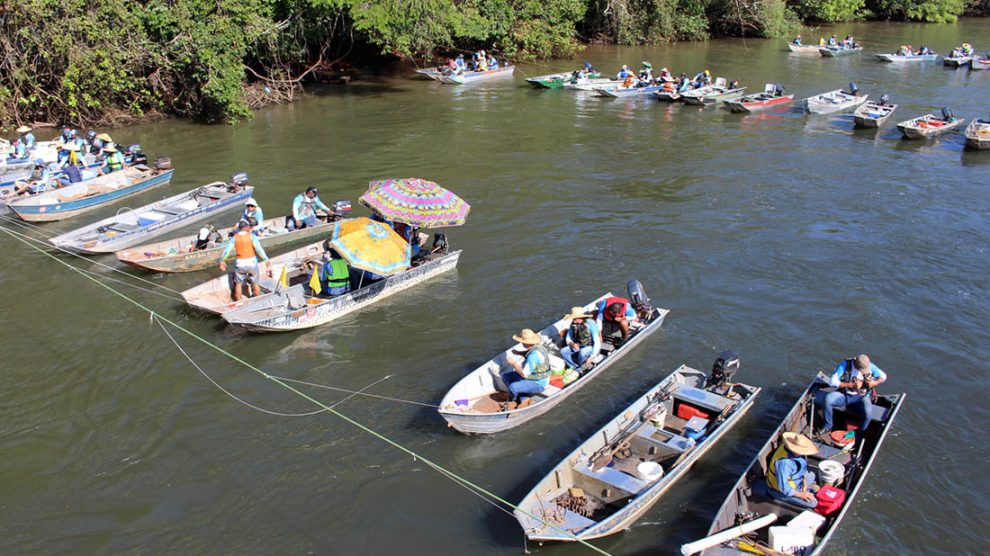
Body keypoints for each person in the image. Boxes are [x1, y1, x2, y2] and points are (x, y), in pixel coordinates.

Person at [816, 354, 887, 445]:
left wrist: (874, 383)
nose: (863, 372)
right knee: (828, 399)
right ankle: (827, 426)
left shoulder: (870, 366)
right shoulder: (844, 365)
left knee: (868, 415)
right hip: (845, 395)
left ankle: (858, 434)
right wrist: (851, 385)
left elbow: (883, 377)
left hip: (862, 397)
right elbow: (832, 381)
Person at [219, 219, 271, 300]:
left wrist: (222, 260)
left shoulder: (234, 238)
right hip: (252, 263)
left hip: (240, 264)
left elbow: (227, 251)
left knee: (238, 284)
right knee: (255, 283)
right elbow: (259, 249)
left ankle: (239, 302)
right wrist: (266, 259)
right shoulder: (251, 236)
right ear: (246, 227)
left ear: (239, 228)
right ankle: (259, 300)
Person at [766, 432, 820, 509]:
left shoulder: (790, 450)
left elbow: (803, 470)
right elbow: (784, 488)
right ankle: (807, 492)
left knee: (812, 475)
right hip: (779, 491)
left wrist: (804, 486)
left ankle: (807, 489)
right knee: (813, 503)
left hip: (795, 480)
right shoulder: (784, 463)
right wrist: (801, 495)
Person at [502, 328, 551, 402]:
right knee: (506, 377)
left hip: (539, 383)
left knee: (513, 387)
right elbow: (529, 353)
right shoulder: (539, 347)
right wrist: (519, 353)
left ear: (525, 343)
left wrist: (513, 363)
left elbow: (524, 375)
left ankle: (513, 399)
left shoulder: (533, 356)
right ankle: (522, 395)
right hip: (534, 375)